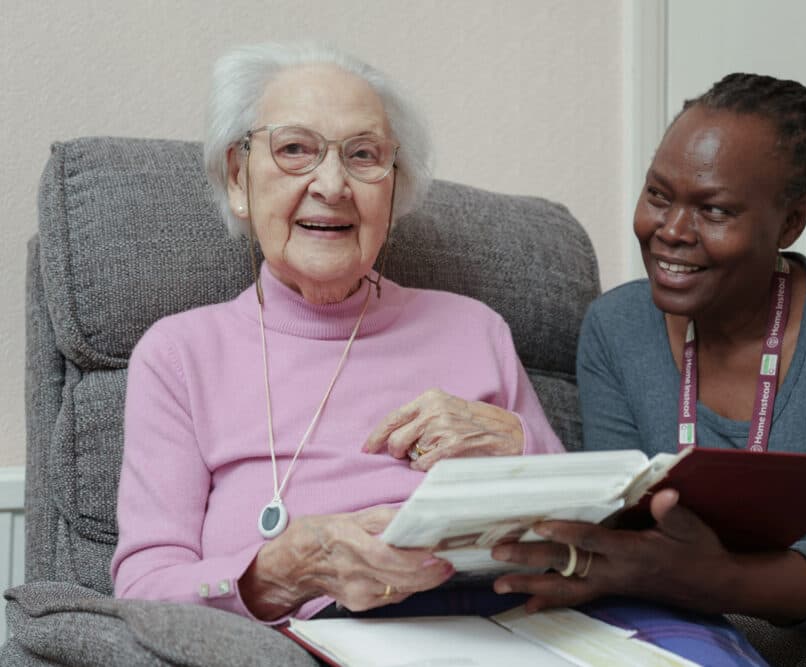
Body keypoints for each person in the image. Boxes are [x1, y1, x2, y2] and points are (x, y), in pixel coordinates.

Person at [491, 73, 806, 639]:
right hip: (739, 626)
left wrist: (716, 580)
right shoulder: (617, 328)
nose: (671, 231)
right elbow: (622, 518)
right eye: (659, 195)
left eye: (715, 210)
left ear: (791, 222)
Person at [110, 42, 565, 624]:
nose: (332, 183)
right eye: (295, 149)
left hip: (501, 625)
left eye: (363, 155)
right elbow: (145, 590)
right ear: (237, 178)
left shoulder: (477, 329)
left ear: (392, 188)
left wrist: (520, 447)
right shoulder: (179, 355)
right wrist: (286, 569)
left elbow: (581, 543)